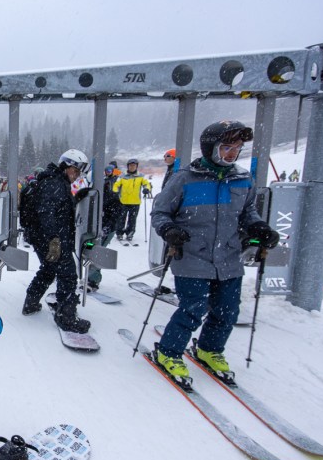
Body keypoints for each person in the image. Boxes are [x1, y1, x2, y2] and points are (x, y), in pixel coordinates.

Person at [151, 120, 279, 382]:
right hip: (192, 256)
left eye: (237, 148)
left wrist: (258, 227)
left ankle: (210, 349)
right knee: (193, 308)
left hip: (229, 257)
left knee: (228, 310)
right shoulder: (185, 178)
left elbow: (247, 213)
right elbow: (161, 211)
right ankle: (169, 351)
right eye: (227, 147)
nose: (232, 153)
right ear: (211, 148)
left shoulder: (242, 179)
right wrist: (169, 230)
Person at [21, 150, 92, 334]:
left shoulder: (55, 181)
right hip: (52, 238)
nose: (76, 175)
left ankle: (31, 302)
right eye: (75, 171)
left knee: (49, 269)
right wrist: (54, 239)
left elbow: (57, 207)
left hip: (45, 236)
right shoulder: (55, 183)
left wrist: (75, 198)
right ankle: (66, 317)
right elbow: (46, 212)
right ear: (66, 166)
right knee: (68, 274)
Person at [112, 157, 152, 243]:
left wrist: (147, 189)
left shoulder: (141, 176)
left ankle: (130, 233)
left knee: (132, 219)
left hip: (135, 202)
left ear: (136, 166)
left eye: (134, 165)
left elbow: (146, 184)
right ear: (128, 166)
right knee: (121, 218)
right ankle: (119, 233)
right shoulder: (122, 176)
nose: (132, 167)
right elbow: (116, 185)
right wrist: (115, 191)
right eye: (130, 165)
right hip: (123, 201)